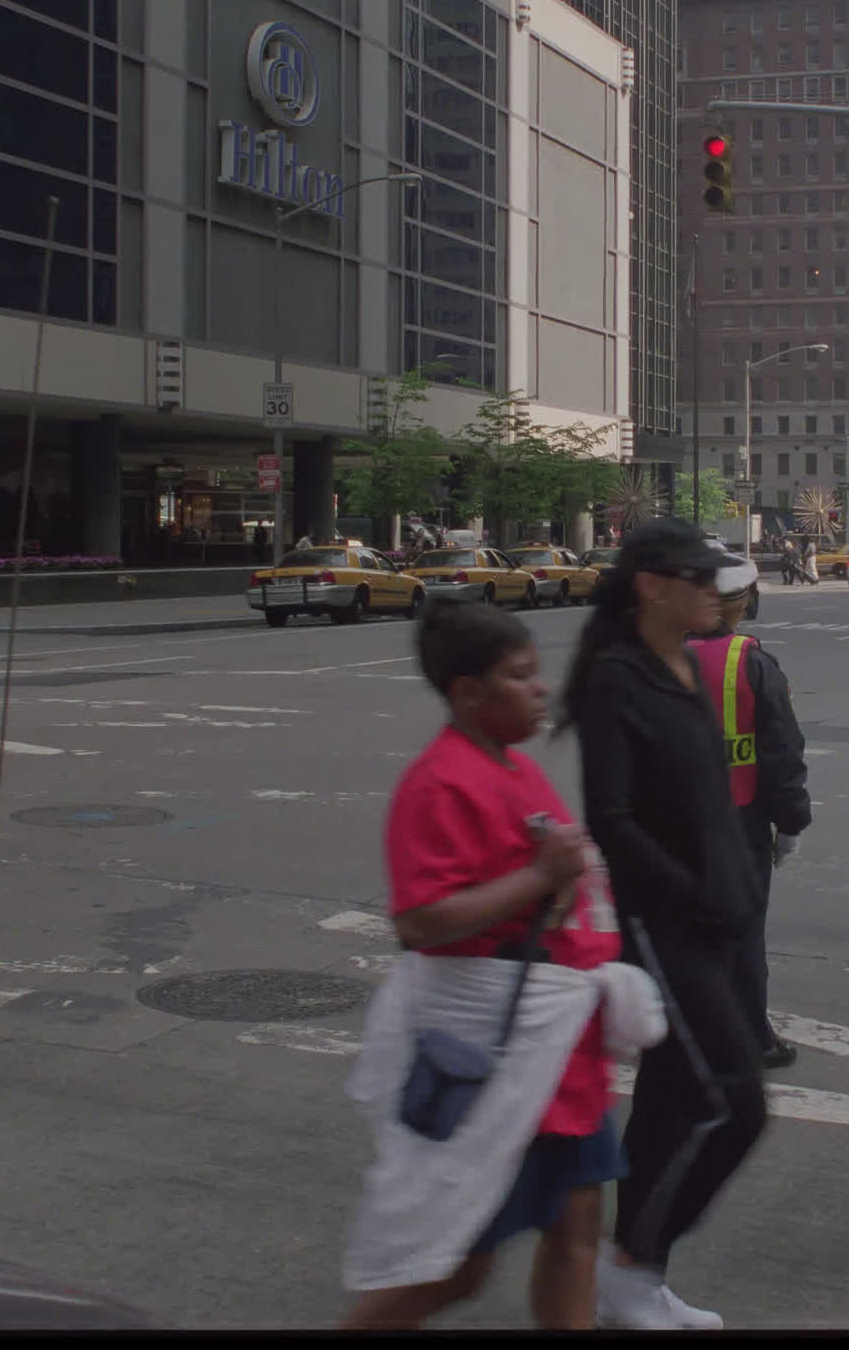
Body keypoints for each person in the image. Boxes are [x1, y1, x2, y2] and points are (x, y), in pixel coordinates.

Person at [341, 600, 657, 1330]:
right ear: (468, 694)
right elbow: (419, 922)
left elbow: (550, 873)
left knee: (576, 1230)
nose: (540, 689)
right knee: (456, 1269)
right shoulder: (439, 784)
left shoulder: (512, 765)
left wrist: (563, 883)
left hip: (560, 1053)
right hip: (503, 1056)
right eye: (519, 677)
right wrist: (541, 879)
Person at [560, 517, 769, 1330]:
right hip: (661, 924)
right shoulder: (618, 678)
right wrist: (691, 891)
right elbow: (611, 818)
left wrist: (742, 880)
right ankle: (631, 1265)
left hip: (716, 918)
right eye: (704, 580)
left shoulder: (681, 663)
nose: (723, 595)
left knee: (672, 1104)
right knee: (735, 1103)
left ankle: (640, 1277)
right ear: (653, 585)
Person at [688, 552, 812, 1072]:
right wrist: (791, 823)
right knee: (741, 935)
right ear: (740, 605)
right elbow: (782, 752)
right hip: (740, 824)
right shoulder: (753, 664)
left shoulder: (663, 657)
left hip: (676, 823)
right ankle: (751, 1038)